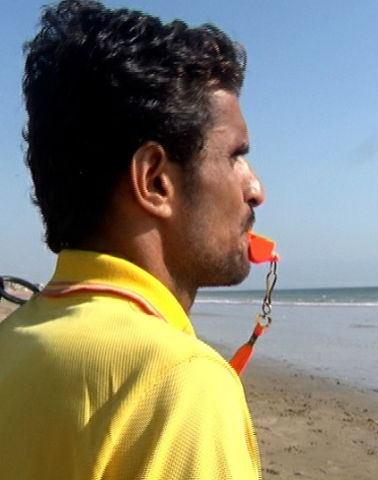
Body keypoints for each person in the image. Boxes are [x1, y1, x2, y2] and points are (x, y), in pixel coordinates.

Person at [0, 1, 265, 478]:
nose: (256, 189)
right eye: (235, 156)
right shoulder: (181, 386)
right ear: (155, 180)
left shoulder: (10, 346)